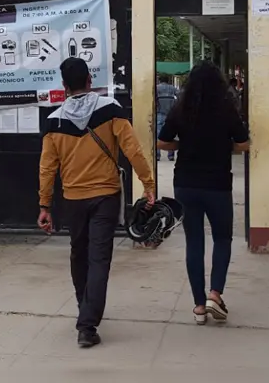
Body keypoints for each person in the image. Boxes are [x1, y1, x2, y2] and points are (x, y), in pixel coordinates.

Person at [38, 57, 156, 348]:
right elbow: (133, 151)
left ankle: (85, 309)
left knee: (78, 253)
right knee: (99, 257)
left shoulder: (55, 121)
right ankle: (87, 324)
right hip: (105, 197)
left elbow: (47, 167)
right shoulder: (111, 111)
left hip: (73, 199)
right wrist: (148, 184)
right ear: (90, 80)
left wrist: (44, 206)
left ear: (64, 86)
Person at [157, 60, 249, 325]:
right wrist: (223, 147)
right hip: (218, 184)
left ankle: (198, 305)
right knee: (222, 238)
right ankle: (215, 294)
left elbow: (163, 142)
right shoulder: (226, 110)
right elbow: (243, 144)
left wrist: (184, 144)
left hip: (185, 182)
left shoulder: (180, 109)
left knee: (194, 242)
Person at [156, 73, 178, 161]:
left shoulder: (157, 88)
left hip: (160, 113)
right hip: (170, 113)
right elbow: (179, 96)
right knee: (171, 134)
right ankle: (171, 155)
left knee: (158, 135)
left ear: (160, 80)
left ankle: (157, 155)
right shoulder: (173, 88)